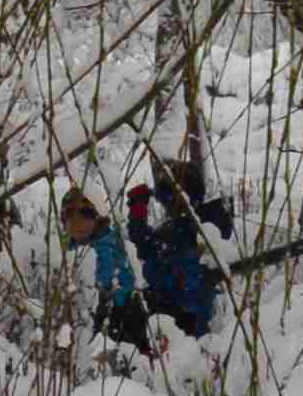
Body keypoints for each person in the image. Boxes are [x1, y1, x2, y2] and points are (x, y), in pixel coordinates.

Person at [134, 148, 232, 339]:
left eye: (166, 192)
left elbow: (190, 285)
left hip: (191, 325)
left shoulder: (198, 229)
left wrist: (164, 289)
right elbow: (146, 249)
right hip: (178, 318)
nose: (163, 202)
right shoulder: (178, 228)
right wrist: (137, 214)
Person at [66, 181, 148, 352]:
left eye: (85, 215)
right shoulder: (73, 249)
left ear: (96, 217)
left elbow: (103, 281)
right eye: (69, 217)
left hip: (122, 311)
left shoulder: (106, 243)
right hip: (94, 314)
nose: (78, 224)